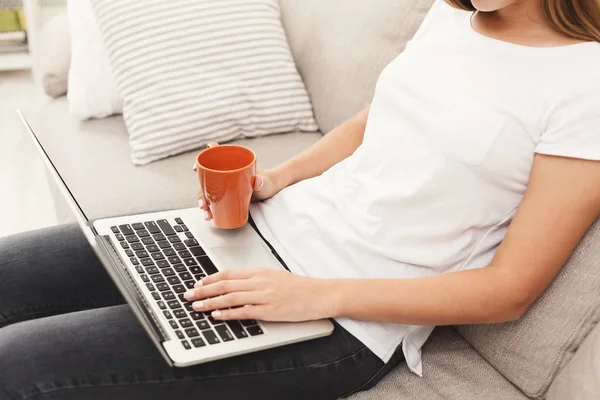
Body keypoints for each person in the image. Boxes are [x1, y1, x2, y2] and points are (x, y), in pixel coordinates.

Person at [1, 0, 599, 399]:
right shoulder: (449, 16)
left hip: (340, 325)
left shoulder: (585, 85)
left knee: (16, 363)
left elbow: (511, 289)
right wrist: (277, 180)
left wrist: (314, 294)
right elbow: (377, 120)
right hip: (256, 238)